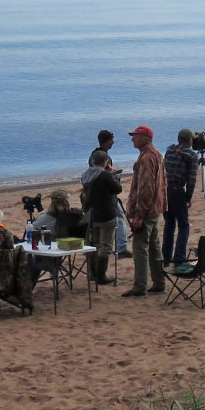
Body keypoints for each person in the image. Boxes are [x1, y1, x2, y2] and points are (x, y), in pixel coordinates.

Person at [123, 124, 167, 297]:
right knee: (154, 246)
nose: (133, 139)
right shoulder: (156, 155)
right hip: (155, 208)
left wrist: (139, 215)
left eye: (135, 136)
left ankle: (140, 286)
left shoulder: (147, 158)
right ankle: (159, 283)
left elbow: (146, 188)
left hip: (147, 210)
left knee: (140, 247)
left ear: (144, 138)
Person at [81, 149, 123, 285]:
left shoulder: (85, 175)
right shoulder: (105, 176)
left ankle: (93, 273)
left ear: (92, 161)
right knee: (105, 246)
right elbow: (118, 189)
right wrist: (113, 174)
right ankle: (101, 276)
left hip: (92, 214)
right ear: (106, 162)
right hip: (107, 213)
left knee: (94, 245)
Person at [161, 129, 199, 264]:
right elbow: (191, 179)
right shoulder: (192, 156)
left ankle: (165, 257)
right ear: (190, 141)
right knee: (184, 225)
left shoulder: (170, 149)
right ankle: (179, 257)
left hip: (164, 190)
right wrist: (188, 197)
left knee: (169, 223)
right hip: (177, 191)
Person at [94, 129, 130, 257]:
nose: (113, 142)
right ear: (106, 141)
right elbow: (114, 184)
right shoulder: (102, 156)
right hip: (108, 196)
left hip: (98, 198)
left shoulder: (96, 155)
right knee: (119, 218)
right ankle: (121, 248)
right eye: (111, 140)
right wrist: (112, 176)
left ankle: (101, 248)